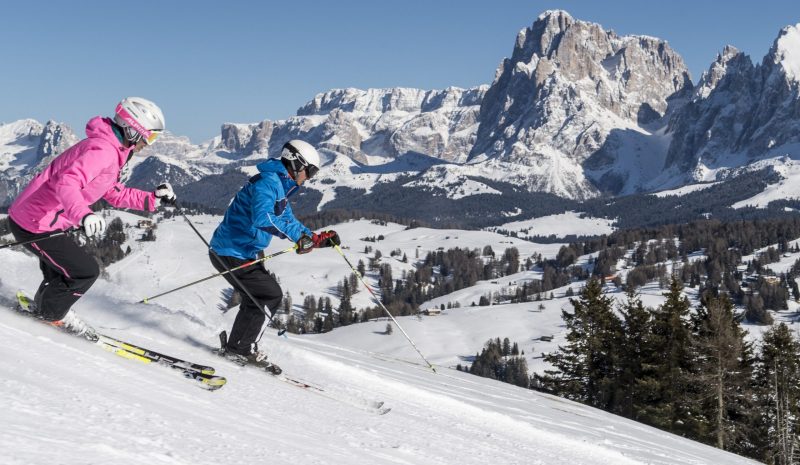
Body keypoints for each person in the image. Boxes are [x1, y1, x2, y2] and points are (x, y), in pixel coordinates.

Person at [8, 97, 177, 339]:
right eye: (149, 137)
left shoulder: (112, 149)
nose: (149, 144)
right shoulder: (103, 151)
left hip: (40, 220)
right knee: (84, 272)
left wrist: (152, 199)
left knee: (63, 273)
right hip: (36, 223)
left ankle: (46, 309)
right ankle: (51, 315)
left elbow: (111, 191)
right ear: (133, 130)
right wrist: (84, 214)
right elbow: (67, 184)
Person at [209, 139, 339, 370]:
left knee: (259, 297)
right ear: (296, 164)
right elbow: (263, 217)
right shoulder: (268, 184)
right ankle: (241, 349)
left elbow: (287, 220)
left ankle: (237, 347)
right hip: (231, 251)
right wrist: (298, 239)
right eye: (310, 171)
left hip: (242, 252)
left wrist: (316, 239)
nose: (309, 177)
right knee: (270, 295)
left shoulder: (280, 185)